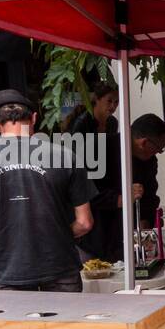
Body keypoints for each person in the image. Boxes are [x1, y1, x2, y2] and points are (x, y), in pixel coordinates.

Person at [0, 89, 96, 292]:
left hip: (9, 270)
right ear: (34, 118)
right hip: (60, 265)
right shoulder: (65, 156)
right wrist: (55, 234)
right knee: (62, 324)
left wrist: (6, 234)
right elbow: (84, 222)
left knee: (17, 325)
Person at [94, 113, 165, 262]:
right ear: (144, 142)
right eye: (159, 149)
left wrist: (145, 229)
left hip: (128, 242)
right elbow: (85, 193)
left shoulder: (149, 161)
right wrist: (120, 199)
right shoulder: (101, 148)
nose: (157, 154)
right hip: (96, 237)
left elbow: (149, 196)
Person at [64, 84, 120, 261]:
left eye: (116, 102)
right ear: (97, 99)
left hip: (105, 178)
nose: (113, 106)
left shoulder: (112, 123)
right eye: (109, 101)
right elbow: (77, 159)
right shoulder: (82, 123)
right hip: (87, 178)